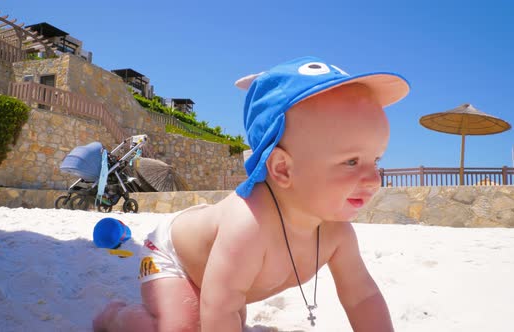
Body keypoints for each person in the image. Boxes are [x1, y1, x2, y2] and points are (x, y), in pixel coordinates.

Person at [93, 56, 410, 332]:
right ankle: (116, 316)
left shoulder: (337, 234)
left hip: (220, 275)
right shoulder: (249, 224)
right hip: (172, 254)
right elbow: (222, 307)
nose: (373, 179)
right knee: (183, 327)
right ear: (283, 169)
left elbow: (361, 296)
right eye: (351, 161)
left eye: (376, 160)